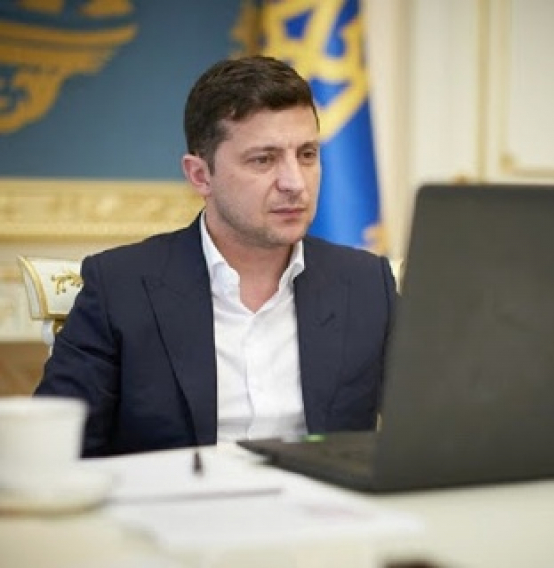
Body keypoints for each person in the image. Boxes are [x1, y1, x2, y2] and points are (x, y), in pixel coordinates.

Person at [34, 56, 397, 457]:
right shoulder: (119, 287)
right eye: (264, 159)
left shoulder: (367, 284)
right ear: (200, 175)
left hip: (326, 496)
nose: (295, 183)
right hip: (175, 497)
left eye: (307, 154)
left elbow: (428, 428)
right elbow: (51, 450)